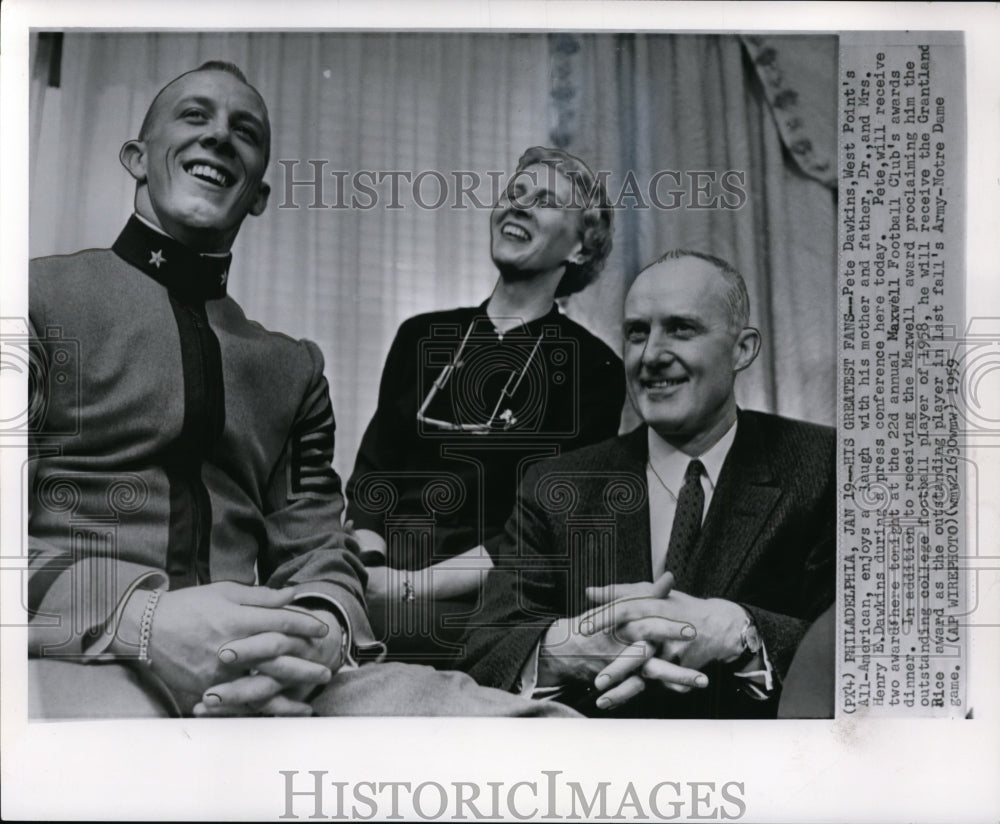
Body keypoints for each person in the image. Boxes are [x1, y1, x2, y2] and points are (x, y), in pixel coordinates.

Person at [27, 61, 577, 719]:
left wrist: (318, 633)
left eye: (245, 131)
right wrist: (140, 621)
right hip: (82, 651)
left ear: (258, 193)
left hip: (276, 672)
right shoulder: (32, 301)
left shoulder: (292, 369)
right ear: (137, 158)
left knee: (546, 736)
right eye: (194, 116)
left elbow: (320, 553)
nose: (219, 137)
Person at [457, 250, 835, 718]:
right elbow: (485, 650)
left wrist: (740, 633)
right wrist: (568, 651)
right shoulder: (555, 484)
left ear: (743, 349)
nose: (652, 355)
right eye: (637, 332)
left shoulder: (825, 466)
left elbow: (874, 647)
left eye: (681, 328)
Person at [345, 147, 625, 664]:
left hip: (485, 602)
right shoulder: (420, 335)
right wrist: (366, 566)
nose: (517, 206)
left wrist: (409, 589)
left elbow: (545, 525)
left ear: (581, 249)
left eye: (544, 201)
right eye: (513, 193)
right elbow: (372, 477)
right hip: (378, 577)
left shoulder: (595, 370)